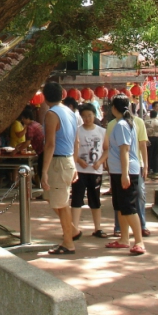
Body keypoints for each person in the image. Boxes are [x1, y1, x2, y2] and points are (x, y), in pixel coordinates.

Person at [96, 94, 145, 255]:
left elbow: (124, 150)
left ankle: (139, 241)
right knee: (120, 206)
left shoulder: (122, 125)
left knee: (128, 207)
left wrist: (125, 174)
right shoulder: (121, 124)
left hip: (126, 171)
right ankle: (124, 239)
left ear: (114, 108)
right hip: (118, 171)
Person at [40, 82, 79, 255]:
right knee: (54, 199)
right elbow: (76, 141)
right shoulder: (70, 112)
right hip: (68, 159)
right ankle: (72, 230)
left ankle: (68, 242)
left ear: (45, 97)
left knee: (61, 204)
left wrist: (44, 172)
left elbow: (50, 144)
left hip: (58, 162)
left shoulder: (51, 114)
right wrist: (75, 164)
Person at [72, 103, 108, 237]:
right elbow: (72, 150)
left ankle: (97, 228)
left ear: (94, 115)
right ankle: (74, 228)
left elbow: (106, 149)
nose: (87, 118)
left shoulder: (101, 131)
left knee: (95, 200)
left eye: (90, 115)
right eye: (84, 116)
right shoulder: (77, 131)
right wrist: (79, 160)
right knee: (76, 199)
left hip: (95, 171)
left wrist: (100, 162)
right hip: (79, 171)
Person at [145, 102, 158, 176]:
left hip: (148, 138)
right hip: (156, 138)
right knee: (157, 154)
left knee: (148, 154)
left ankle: (148, 168)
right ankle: (156, 169)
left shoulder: (145, 122)